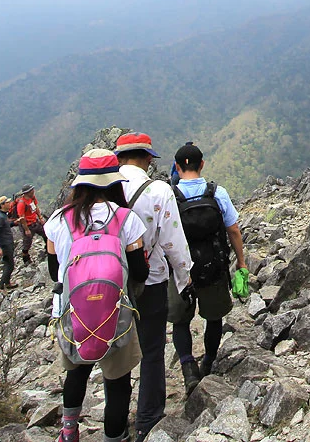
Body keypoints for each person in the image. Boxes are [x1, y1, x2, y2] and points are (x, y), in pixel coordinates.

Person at [45, 149, 149, 442]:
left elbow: (55, 272)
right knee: (117, 384)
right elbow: (140, 272)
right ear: (114, 182)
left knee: (75, 374)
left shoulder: (58, 220)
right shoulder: (126, 219)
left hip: (70, 313)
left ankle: (68, 430)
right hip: (116, 314)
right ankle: (114, 437)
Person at [112, 132, 194, 442]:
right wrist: (185, 279)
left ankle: (115, 425)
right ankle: (147, 419)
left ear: (119, 157)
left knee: (117, 352)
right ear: (148, 158)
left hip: (112, 283)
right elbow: (174, 242)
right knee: (151, 351)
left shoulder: (102, 188)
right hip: (152, 281)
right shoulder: (158, 189)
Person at [168, 142, 249, 396]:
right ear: (202, 164)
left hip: (181, 270)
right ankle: (209, 362)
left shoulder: (169, 195)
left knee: (180, 321)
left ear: (178, 168)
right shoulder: (217, 193)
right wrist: (241, 262)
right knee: (214, 317)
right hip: (213, 266)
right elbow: (233, 230)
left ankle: (188, 367)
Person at [15, 184, 46, 265]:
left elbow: (36, 207)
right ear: (27, 192)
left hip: (35, 222)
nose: (33, 191)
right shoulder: (21, 204)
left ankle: (48, 249)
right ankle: (26, 259)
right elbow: (22, 218)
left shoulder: (32, 198)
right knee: (27, 244)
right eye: (31, 190)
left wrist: (40, 217)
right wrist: (26, 229)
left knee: (46, 234)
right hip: (27, 225)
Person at [0, 196, 18, 291]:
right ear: (2, 205)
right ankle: (2, 285)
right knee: (9, 265)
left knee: (8, 264)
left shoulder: (3, 215)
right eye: (7, 202)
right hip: (5, 244)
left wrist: (15, 223)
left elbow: (6, 226)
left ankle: (7, 283)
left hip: (8, 242)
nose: (9, 204)